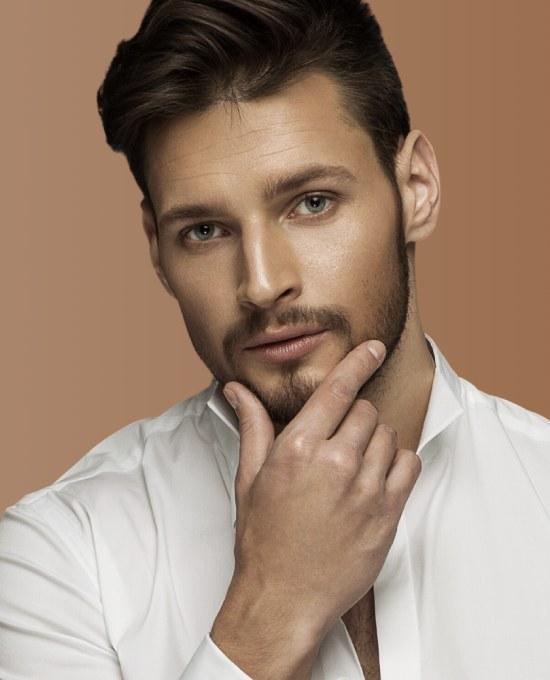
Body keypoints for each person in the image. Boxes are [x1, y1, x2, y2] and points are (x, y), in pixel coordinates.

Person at [1, 0, 549, 678]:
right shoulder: (63, 556)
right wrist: (272, 611)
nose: (261, 284)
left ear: (416, 187)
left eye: (312, 203)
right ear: (156, 249)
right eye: (204, 230)